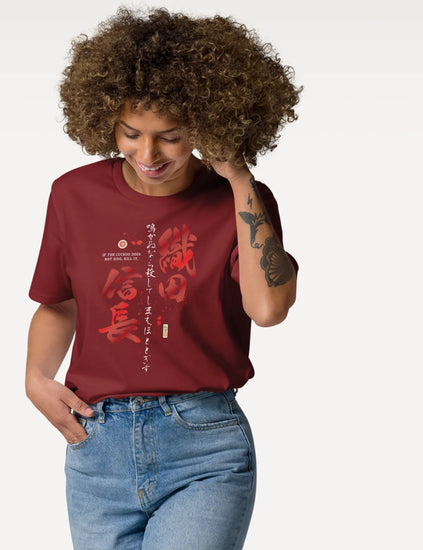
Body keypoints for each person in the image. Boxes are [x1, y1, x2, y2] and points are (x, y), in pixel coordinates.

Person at [25, 7, 301, 549]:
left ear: (206, 124)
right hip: (97, 449)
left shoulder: (243, 202)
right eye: (131, 134)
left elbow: (268, 310)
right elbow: (58, 302)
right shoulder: (73, 195)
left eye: (171, 137)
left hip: (204, 447)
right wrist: (36, 378)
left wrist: (238, 177)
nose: (147, 154)